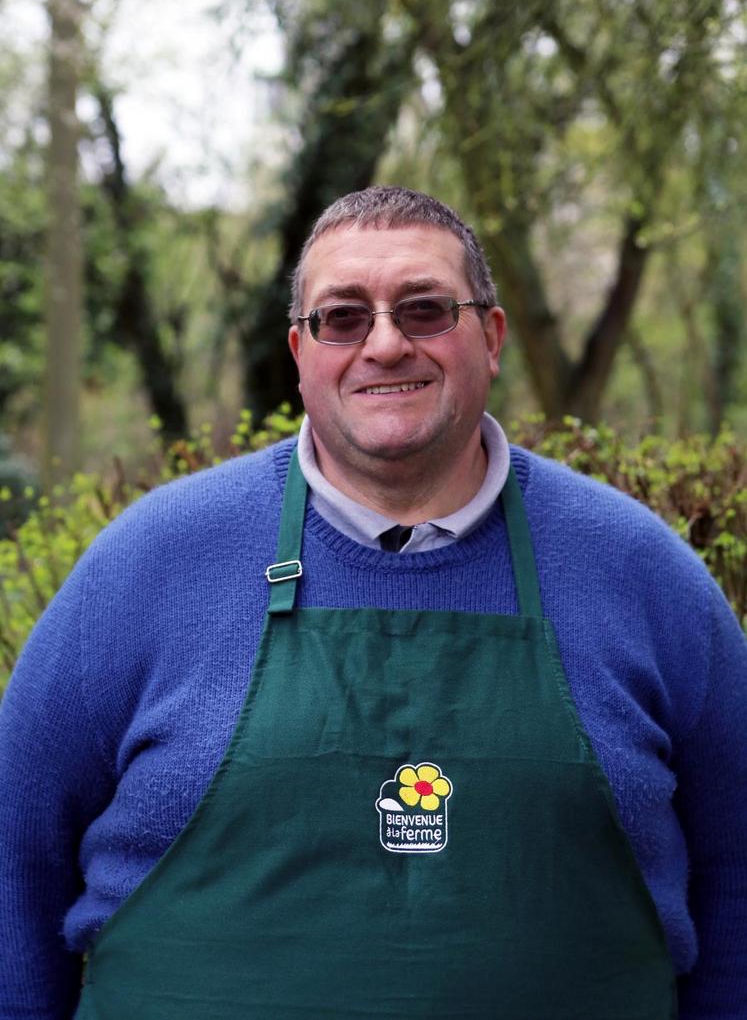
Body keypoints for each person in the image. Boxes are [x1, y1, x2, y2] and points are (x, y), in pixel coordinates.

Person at [0, 186, 746, 1019]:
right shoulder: (145, 567)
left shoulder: (643, 575)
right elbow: (11, 865)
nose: (385, 344)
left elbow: (737, 879)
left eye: (425, 309)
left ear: (491, 336)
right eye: (343, 317)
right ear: (299, 349)